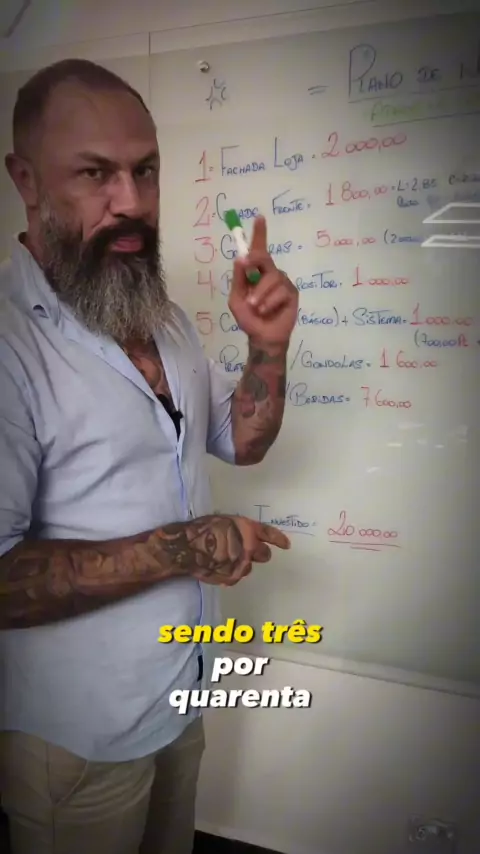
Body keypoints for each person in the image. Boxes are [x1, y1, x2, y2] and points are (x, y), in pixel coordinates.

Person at [0, 59, 298, 854]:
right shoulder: (9, 344)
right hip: (77, 740)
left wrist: (268, 347)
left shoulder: (160, 314)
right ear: (26, 180)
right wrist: (183, 547)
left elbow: (240, 440)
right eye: (95, 173)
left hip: (178, 692)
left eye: (146, 170)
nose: (130, 201)